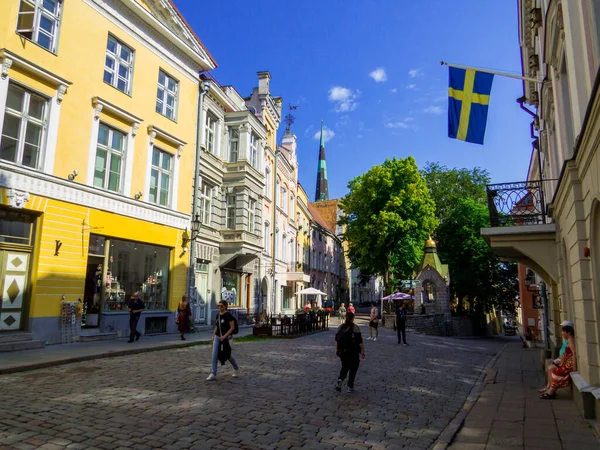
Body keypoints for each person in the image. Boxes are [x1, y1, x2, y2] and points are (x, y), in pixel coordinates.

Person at [540, 321, 576, 399]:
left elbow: (574, 353)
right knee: (554, 370)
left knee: (557, 373)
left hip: (568, 364)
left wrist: (574, 368)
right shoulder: (569, 340)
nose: (562, 334)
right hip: (565, 362)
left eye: (563, 332)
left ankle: (551, 391)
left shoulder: (570, 340)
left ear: (568, 332)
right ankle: (550, 390)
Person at [206, 300, 240, 380]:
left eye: (221, 306)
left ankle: (236, 368)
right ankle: (213, 373)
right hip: (218, 337)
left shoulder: (228, 316)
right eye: (218, 306)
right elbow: (217, 327)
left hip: (226, 338)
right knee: (214, 355)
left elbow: (232, 328)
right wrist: (213, 335)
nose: (219, 307)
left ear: (225, 306)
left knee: (227, 355)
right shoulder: (218, 315)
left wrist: (225, 336)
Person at [334, 311, 365, 393]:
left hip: (343, 352)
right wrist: (363, 351)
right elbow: (360, 341)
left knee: (344, 367)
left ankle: (340, 379)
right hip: (353, 351)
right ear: (353, 318)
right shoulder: (355, 328)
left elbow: (337, 340)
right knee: (353, 368)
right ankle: (350, 386)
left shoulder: (340, 327)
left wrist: (337, 350)